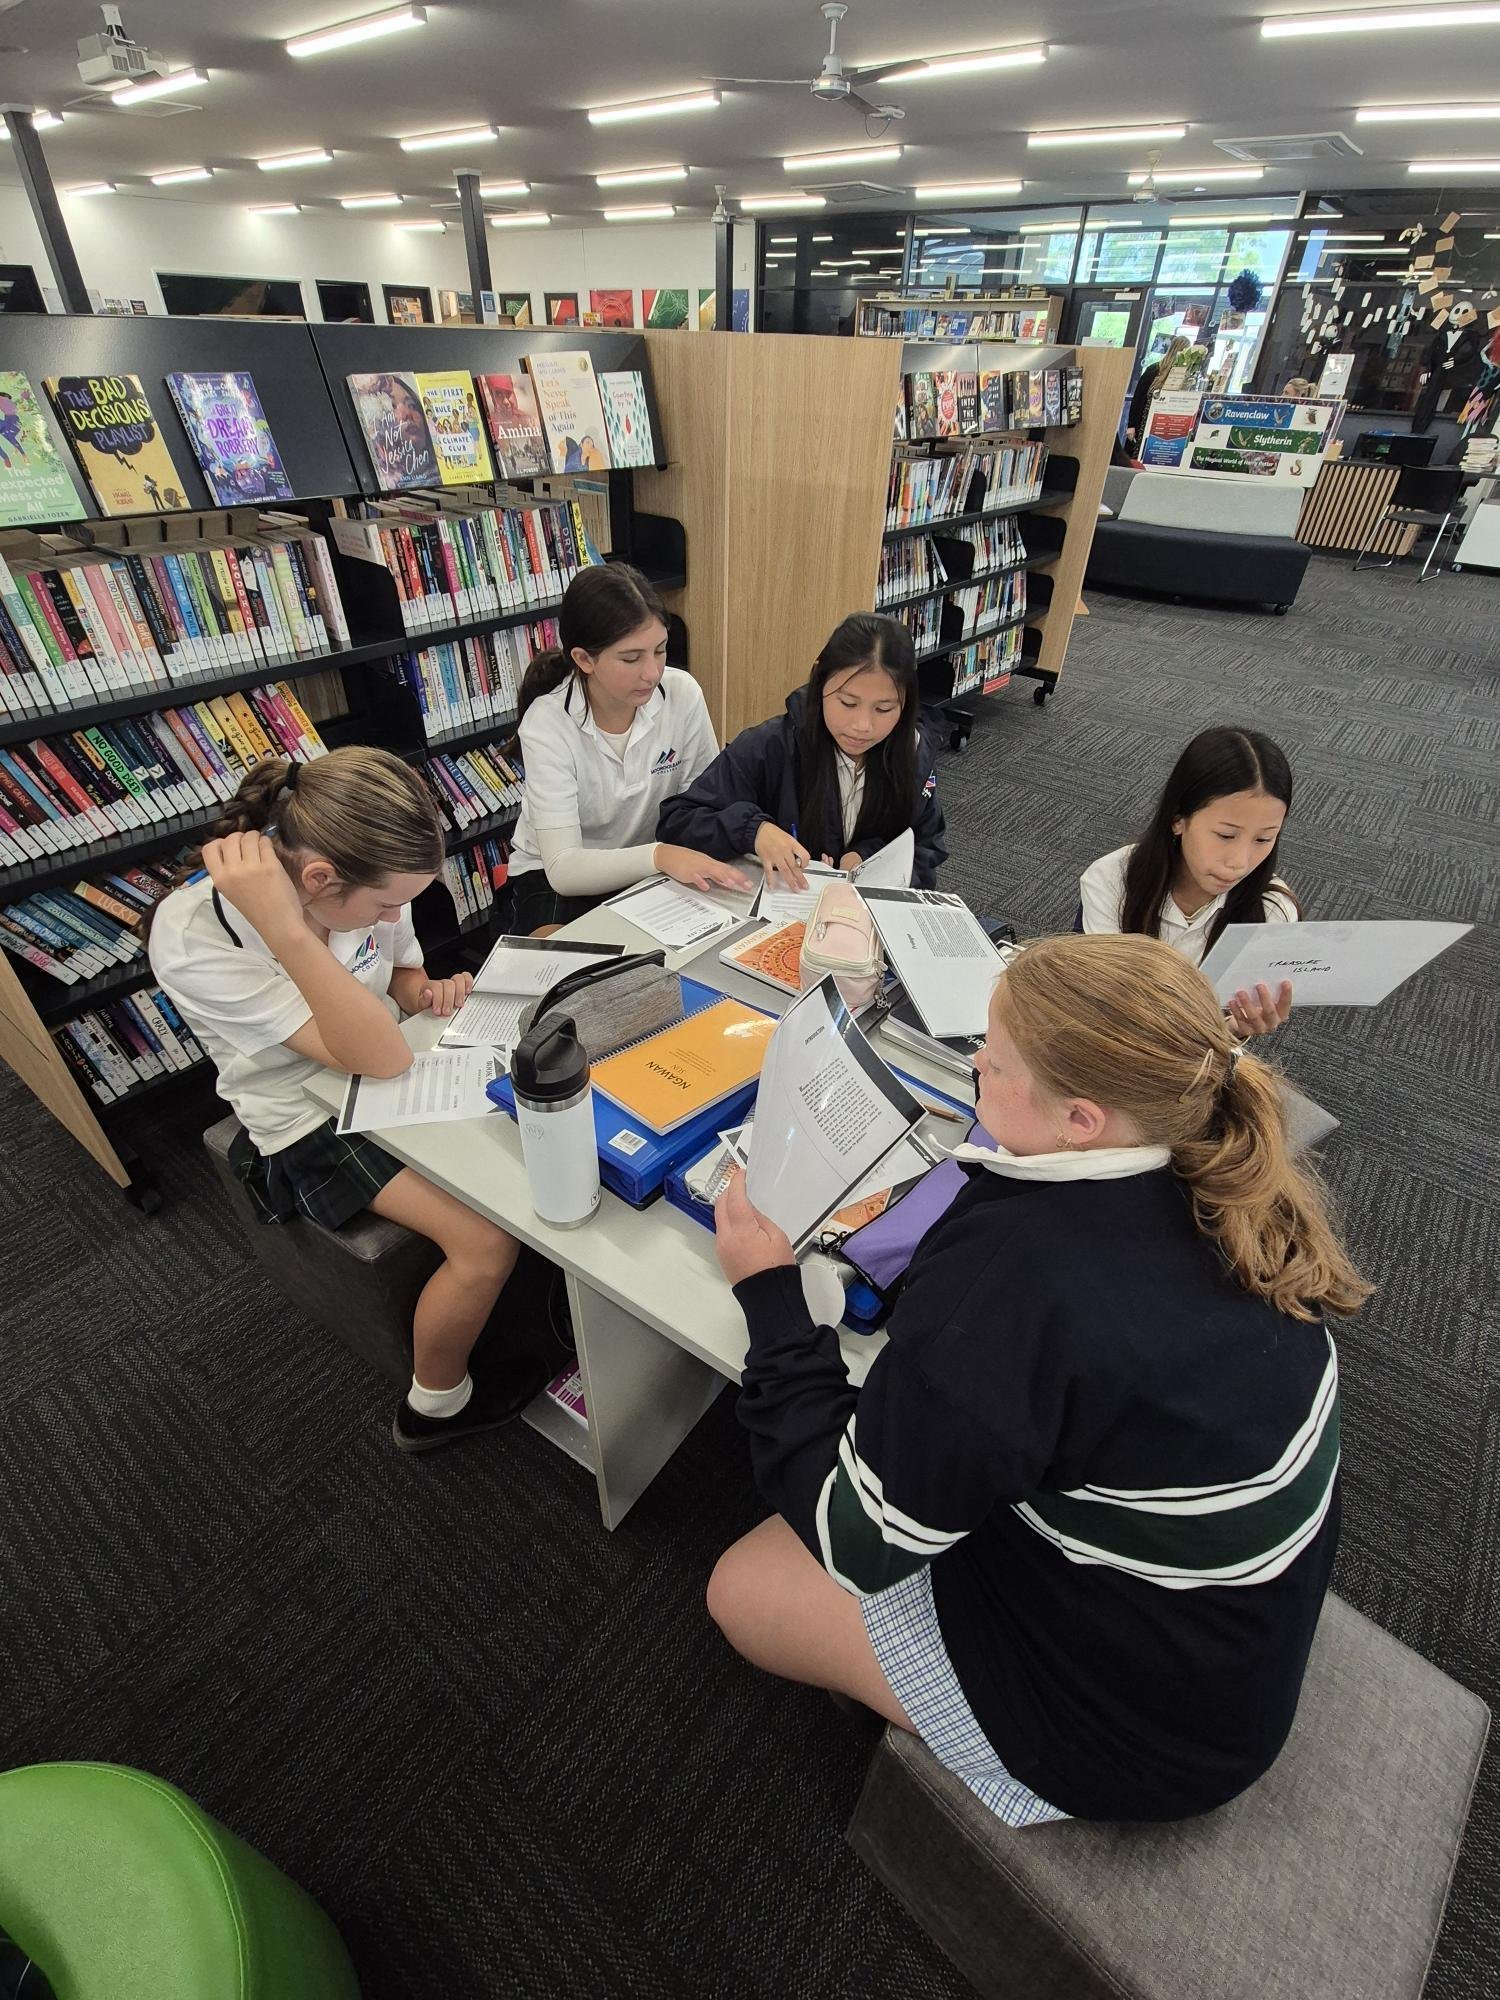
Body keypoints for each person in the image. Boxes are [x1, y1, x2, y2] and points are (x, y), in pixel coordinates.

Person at [708, 932, 1371, 1825]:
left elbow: (853, 1541)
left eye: (995, 1057)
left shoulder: (1013, 1285)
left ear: (1081, 1122)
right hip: (1218, 1647)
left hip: (1139, 1738)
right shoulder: (1219, 1165)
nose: (976, 1064)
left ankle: (954, 1741)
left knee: (743, 1587)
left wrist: (769, 1298)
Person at [149, 746, 543, 1453]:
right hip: (305, 1114)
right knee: (484, 1244)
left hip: (391, 1073)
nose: (395, 913)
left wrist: (426, 992)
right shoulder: (195, 935)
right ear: (319, 879)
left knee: (532, 1138)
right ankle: (436, 1404)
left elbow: (399, 975)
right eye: (386, 903)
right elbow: (378, 1055)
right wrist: (287, 931)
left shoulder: (359, 875)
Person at [504, 563, 749, 934]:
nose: (651, 672)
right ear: (584, 659)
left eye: (660, 650)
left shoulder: (682, 694)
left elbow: (704, 804)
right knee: (564, 963)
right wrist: (660, 856)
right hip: (561, 876)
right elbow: (564, 869)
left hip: (654, 862)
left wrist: (752, 832)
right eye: (631, 658)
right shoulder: (548, 724)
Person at [655, 613, 947, 893]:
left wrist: (867, 857)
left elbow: (926, 847)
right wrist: (753, 830)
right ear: (820, 680)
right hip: (780, 913)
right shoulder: (770, 746)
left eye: (884, 709)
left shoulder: (914, 754)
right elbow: (678, 822)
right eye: (847, 703)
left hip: (863, 916)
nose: (862, 726)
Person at [1079, 726, 1299, 1038]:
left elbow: (1223, 1035)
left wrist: (1234, 1030)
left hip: (1201, 1056)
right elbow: (1105, 1011)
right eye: (1225, 835)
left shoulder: (1273, 908)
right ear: (1178, 820)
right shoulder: (1112, 880)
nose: (1239, 862)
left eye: (1263, 839)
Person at [1121, 333, 1192, 460]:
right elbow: (1138, 398)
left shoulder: (1181, 375)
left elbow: (1137, 398)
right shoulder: (1155, 370)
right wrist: (1131, 425)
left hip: (1159, 424)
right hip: (1147, 423)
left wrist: (1131, 425)